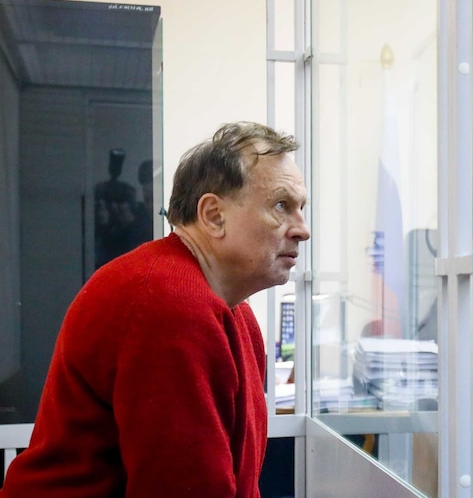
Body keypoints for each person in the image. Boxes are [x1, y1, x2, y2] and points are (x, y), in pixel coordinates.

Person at [0, 121, 310, 497]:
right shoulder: (169, 303)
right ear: (213, 215)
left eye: (301, 208)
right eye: (282, 206)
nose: (301, 229)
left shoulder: (232, 312)